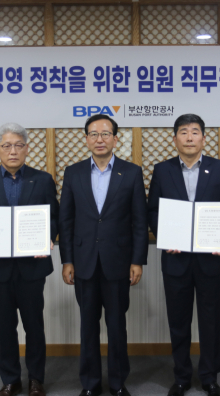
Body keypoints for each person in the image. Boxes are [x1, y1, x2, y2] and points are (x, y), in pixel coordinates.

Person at [147, 114, 220, 396]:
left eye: (195, 132)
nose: (189, 137)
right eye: (184, 132)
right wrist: (165, 236)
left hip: (210, 259)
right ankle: (181, 377)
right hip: (175, 259)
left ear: (204, 138)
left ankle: (210, 377)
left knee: (210, 320)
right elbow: (153, 210)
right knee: (178, 321)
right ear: (175, 138)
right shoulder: (162, 170)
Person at [0, 122, 59, 396]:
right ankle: (10, 380)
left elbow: (54, 216)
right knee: (6, 326)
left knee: (34, 326)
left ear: (27, 148)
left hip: (32, 265)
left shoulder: (43, 179)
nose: (13, 151)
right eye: (7, 146)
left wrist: (48, 237)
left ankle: (36, 380)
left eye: (18, 145)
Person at [59, 114, 148, 396]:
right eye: (94, 134)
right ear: (86, 139)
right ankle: (90, 383)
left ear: (115, 139)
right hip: (83, 262)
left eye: (105, 134)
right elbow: (66, 221)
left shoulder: (131, 172)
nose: (100, 139)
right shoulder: (73, 173)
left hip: (118, 262)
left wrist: (137, 260)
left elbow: (139, 221)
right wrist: (67, 260)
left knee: (117, 325)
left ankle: (118, 382)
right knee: (88, 326)